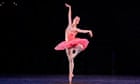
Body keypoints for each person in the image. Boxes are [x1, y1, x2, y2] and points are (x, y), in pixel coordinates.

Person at [54, 3, 93, 84]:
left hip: (73, 42)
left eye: (77, 20)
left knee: (81, 47)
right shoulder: (69, 25)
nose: (75, 20)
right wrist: (70, 8)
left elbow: (83, 31)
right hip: (67, 43)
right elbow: (69, 15)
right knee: (70, 60)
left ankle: (75, 54)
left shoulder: (76, 29)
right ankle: (70, 76)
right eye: (75, 19)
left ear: (77, 22)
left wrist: (89, 30)